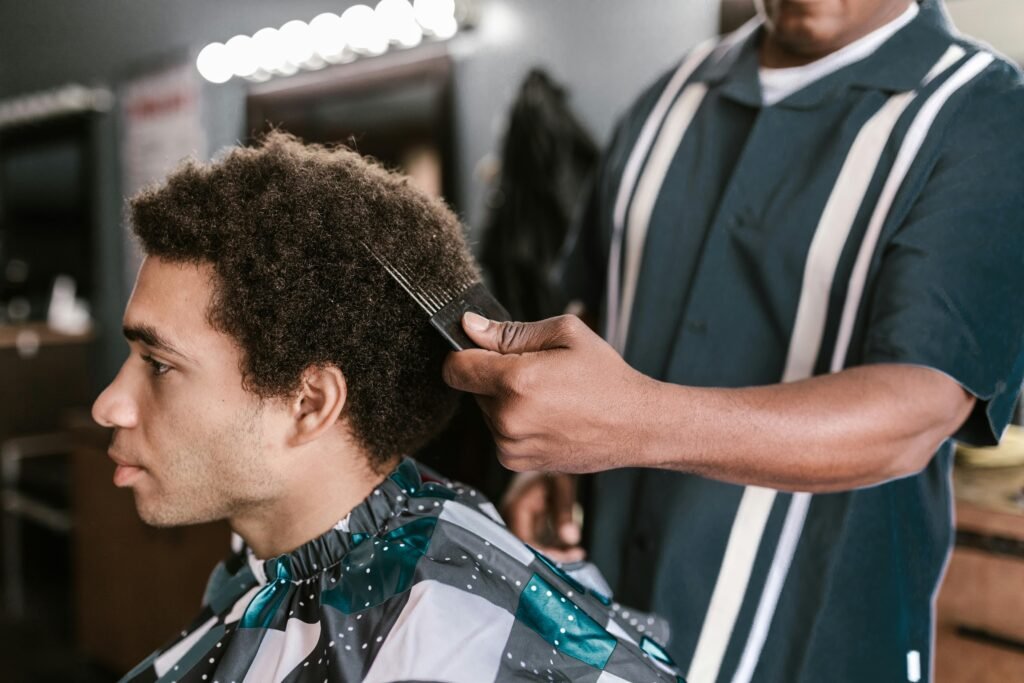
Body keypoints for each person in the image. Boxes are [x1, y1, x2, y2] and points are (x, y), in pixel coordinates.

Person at [442, 1, 1024, 681]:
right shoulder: (666, 98)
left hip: (812, 647)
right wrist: (553, 465)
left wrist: (632, 422)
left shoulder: (981, 114)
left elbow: (915, 412)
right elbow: (597, 302)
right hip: (605, 630)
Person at [91, 133, 683, 683]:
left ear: (309, 404)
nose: (107, 406)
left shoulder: (447, 634)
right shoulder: (263, 563)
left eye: (158, 364)